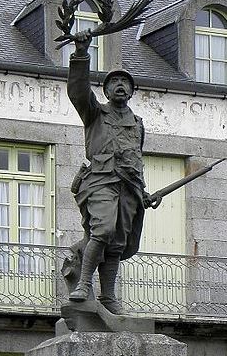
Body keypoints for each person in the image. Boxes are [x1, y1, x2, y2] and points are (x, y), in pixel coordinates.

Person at [66, 30, 159, 313]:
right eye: (114, 82)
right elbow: (79, 92)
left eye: (124, 82)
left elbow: (135, 161)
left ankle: (108, 296)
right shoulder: (95, 113)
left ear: (132, 91)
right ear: (105, 91)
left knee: (118, 243)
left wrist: (144, 193)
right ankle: (84, 283)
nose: (120, 85)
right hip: (100, 181)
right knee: (103, 229)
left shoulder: (138, 124)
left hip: (128, 189)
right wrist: (82, 54)